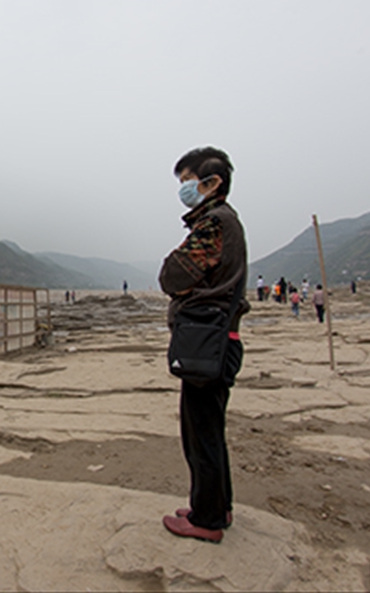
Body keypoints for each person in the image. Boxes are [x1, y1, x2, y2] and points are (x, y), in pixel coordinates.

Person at [158, 146, 249, 544]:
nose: (184, 190)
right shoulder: (224, 221)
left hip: (207, 342)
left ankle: (207, 519)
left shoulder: (214, 223)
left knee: (201, 432)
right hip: (218, 340)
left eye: (187, 182)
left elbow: (173, 275)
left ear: (211, 183)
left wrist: (171, 270)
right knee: (209, 429)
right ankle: (215, 505)